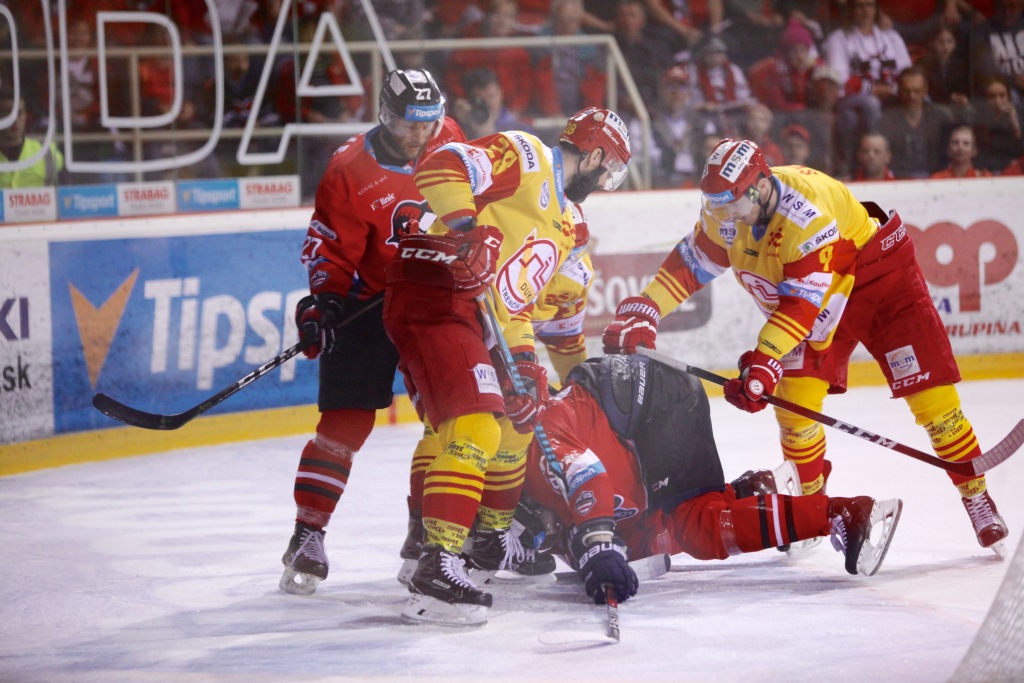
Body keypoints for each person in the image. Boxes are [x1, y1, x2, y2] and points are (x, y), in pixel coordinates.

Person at [601, 137, 1010, 557]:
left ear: (760, 187)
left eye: (731, 205)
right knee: (794, 407)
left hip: (879, 282)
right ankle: (812, 506)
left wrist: (765, 359)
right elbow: (691, 265)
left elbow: (800, 307)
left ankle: (976, 496)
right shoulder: (727, 210)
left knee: (935, 405)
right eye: (716, 206)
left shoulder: (805, 214)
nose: (724, 218)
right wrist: (647, 307)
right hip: (815, 299)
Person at [383, 106, 631, 625]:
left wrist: (525, 363)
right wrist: (467, 229)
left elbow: (514, 304)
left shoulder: (563, 223)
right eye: (608, 171)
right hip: (436, 289)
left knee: (518, 420)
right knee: (473, 425)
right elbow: (440, 165)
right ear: (595, 155)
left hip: (474, 314)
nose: (604, 184)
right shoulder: (527, 154)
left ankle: (483, 541)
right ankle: (436, 561)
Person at [278, 68, 466, 596]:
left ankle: (424, 532)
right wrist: (325, 302)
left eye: (428, 123)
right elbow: (329, 248)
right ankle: (307, 534)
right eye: (409, 124)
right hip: (369, 304)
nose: (419, 135)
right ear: (386, 116)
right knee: (346, 423)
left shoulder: (450, 137)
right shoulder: (349, 169)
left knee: (450, 418)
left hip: (431, 301)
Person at [515, 354, 903, 605]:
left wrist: (598, 546)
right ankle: (748, 491)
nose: (541, 541)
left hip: (653, 403)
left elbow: (592, 484)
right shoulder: (537, 501)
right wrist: (600, 549)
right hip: (639, 420)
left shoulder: (535, 448)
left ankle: (844, 513)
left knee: (696, 528)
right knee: (654, 536)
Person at [824, 0, 912, 175]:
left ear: (876, 9)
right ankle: (875, 158)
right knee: (871, 104)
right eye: (860, 6)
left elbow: (906, 71)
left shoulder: (891, 37)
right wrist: (872, 89)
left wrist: (894, 89)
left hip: (892, 94)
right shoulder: (839, 38)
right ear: (852, 9)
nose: (865, 11)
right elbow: (840, 78)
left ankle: (904, 163)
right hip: (853, 99)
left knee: (920, 98)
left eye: (870, 5)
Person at [877, 65, 954, 178]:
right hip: (898, 181)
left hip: (936, 179)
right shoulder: (887, 120)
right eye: (907, 91)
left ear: (925, 91)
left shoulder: (940, 117)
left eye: (916, 91)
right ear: (899, 90)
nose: (911, 96)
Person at [0, 88, 64, 188]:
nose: (15, 120)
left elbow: (67, 191)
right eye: (7, 113)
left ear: (25, 115)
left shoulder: (48, 153)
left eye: (19, 113)